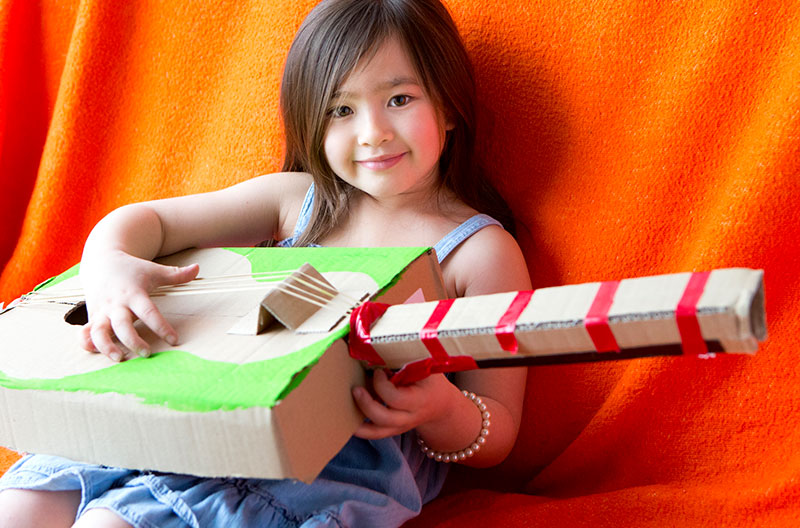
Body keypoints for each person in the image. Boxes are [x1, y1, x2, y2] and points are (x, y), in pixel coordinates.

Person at [0, 0, 530, 526]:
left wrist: (441, 410)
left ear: (450, 107)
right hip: (196, 412)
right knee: (20, 508)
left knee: (112, 524)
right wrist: (109, 265)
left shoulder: (477, 252)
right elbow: (150, 222)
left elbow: (498, 429)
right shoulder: (297, 200)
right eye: (341, 110)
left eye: (399, 98)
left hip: (313, 468)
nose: (373, 132)